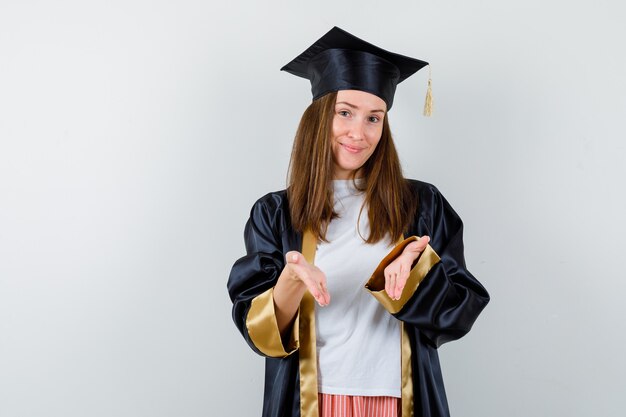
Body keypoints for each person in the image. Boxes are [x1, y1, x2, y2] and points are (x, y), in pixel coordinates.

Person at [227, 27, 489, 417]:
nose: (359, 132)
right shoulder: (276, 214)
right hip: (311, 401)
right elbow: (261, 333)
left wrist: (414, 274)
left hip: (399, 399)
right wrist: (290, 281)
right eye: (345, 112)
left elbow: (459, 313)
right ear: (319, 117)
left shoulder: (421, 205)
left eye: (374, 118)